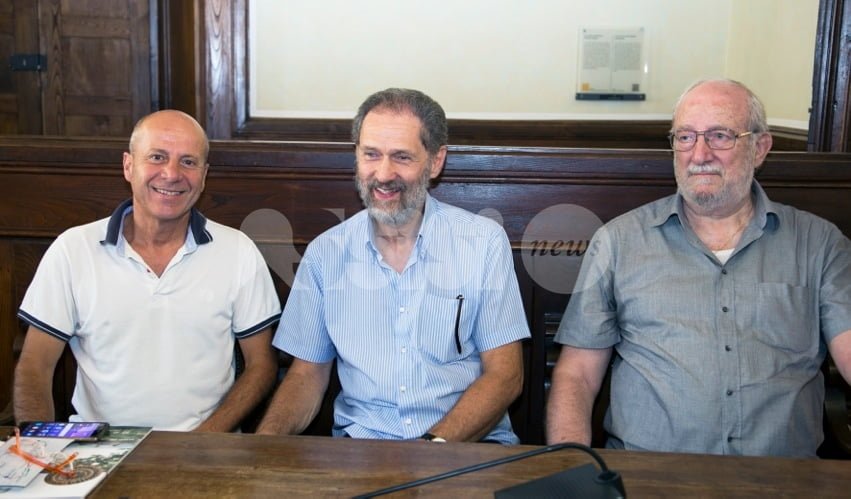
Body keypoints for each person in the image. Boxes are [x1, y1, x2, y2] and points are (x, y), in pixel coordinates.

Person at [546, 79, 851, 457]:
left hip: (781, 477)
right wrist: (573, 469)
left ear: (760, 148)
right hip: (649, 474)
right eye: (685, 137)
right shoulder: (619, 242)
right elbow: (577, 374)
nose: (699, 154)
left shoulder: (819, 244)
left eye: (720, 136)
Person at [256, 88, 530, 443]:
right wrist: (264, 444)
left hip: (463, 448)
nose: (383, 174)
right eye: (371, 154)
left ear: (435, 161)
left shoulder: (483, 243)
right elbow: (307, 373)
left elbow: (505, 375)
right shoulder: (325, 254)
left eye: (401, 157)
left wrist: (430, 449)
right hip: (361, 452)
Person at [14, 110, 281, 431]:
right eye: (157, 157)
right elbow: (35, 364)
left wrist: (203, 439)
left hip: (207, 447)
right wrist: (39, 445)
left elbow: (262, 365)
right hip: (99, 448)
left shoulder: (238, 251)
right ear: (128, 166)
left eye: (188, 161)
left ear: (204, 175)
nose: (171, 173)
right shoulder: (73, 249)